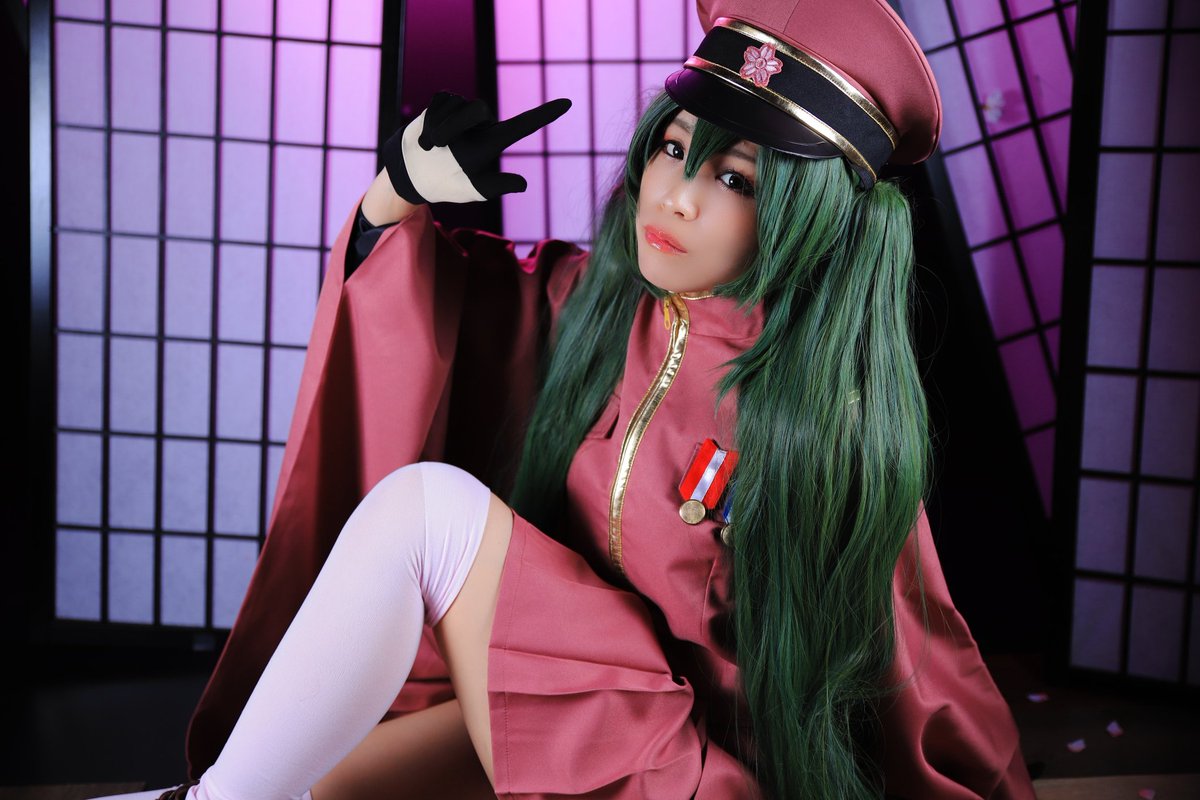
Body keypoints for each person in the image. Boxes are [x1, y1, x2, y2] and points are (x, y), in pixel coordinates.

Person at [95, 0, 1037, 798]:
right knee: (308, 781)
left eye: (734, 178)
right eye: (672, 149)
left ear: (810, 215)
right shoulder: (590, 307)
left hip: (693, 773)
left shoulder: (822, 423)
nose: (674, 196)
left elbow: (924, 682)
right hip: (573, 715)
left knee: (428, 509)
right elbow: (428, 310)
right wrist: (396, 195)